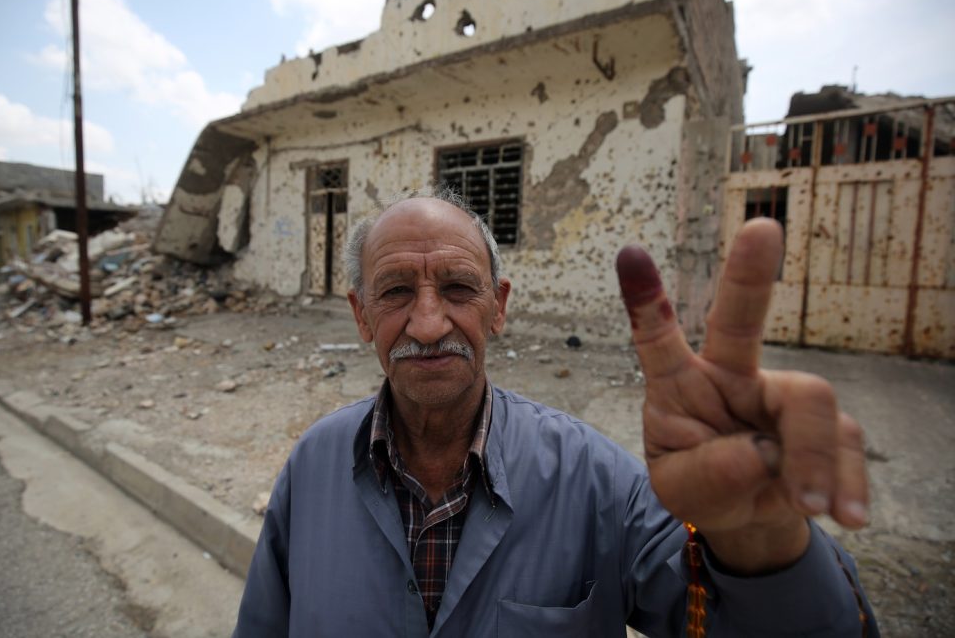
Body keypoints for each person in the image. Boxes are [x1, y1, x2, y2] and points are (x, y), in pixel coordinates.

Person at [233, 190, 878, 637]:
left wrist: (758, 541)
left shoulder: (596, 479)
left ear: (499, 306)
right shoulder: (313, 466)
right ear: (361, 315)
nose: (428, 324)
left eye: (458, 289)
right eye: (397, 292)